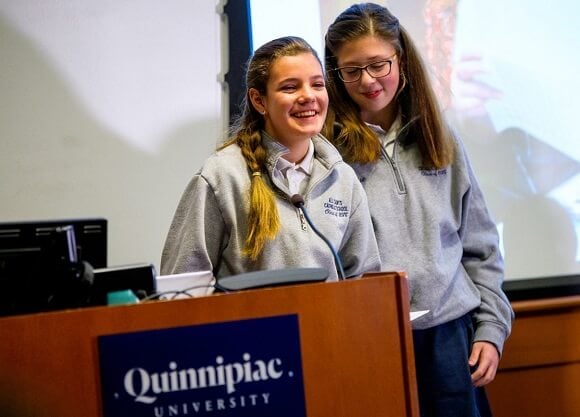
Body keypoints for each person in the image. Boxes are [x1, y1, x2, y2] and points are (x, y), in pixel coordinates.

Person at [323, 3, 513, 417]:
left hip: (451, 341)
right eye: (351, 70)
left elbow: (480, 246)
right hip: (369, 342)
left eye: (378, 64)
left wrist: (491, 328)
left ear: (401, 59)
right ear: (335, 75)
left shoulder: (440, 137)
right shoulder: (325, 154)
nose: (367, 80)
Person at [161, 36, 381, 288]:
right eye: (290, 87)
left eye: (317, 84)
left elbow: (364, 282)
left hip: (326, 326)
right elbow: (181, 286)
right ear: (259, 100)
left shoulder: (342, 178)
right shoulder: (222, 176)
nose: (308, 96)